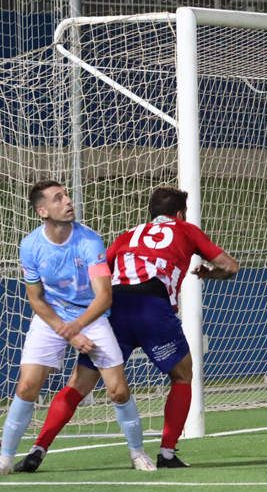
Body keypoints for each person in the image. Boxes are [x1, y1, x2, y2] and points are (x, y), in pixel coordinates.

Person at [13, 187, 239, 472]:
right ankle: (167, 453)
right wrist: (211, 273)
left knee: (79, 384)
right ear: (180, 213)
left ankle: (38, 449)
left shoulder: (128, 234)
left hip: (115, 308)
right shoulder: (186, 229)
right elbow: (230, 266)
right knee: (182, 374)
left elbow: (99, 273)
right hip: (152, 309)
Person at [1, 181, 155, 475]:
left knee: (118, 391)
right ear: (42, 211)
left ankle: (137, 452)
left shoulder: (89, 241)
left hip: (92, 317)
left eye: (67, 195)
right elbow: (36, 299)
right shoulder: (30, 246)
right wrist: (69, 332)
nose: (68, 201)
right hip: (53, 320)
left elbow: (104, 296)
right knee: (27, 385)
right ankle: (5, 458)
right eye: (59, 198)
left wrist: (79, 327)